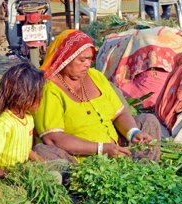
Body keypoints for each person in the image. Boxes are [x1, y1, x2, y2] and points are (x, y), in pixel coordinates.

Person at [33, 29, 160, 162]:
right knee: (43, 151)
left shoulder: (95, 76)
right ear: (65, 59)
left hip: (115, 148)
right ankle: (77, 178)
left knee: (148, 120)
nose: (87, 64)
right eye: (82, 60)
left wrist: (133, 133)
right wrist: (101, 149)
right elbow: (53, 138)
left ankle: (142, 168)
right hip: (80, 158)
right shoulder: (49, 89)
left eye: (89, 59)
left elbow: (120, 113)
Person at [0, 62, 45, 178]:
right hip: (0, 180)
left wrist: (44, 163)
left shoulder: (28, 119)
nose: (42, 97)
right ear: (25, 95)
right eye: (39, 93)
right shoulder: (4, 125)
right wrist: (9, 176)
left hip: (18, 173)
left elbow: (24, 150)